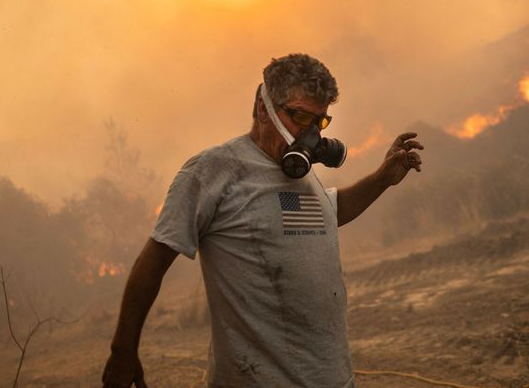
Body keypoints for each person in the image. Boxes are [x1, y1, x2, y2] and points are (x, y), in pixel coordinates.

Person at [101, 53, 424, 388]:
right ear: (262, 108)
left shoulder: (299, 170)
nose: (310, 134)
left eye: (321, 122)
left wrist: (382, 179)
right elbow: (153, 260)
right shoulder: (213, 171)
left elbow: (328, 215)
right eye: (300, 117)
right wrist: (123, 351)